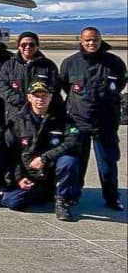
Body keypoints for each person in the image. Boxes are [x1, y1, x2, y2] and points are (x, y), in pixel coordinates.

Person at [58, 27, 126, 211]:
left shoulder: (115, 63)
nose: (91, 43)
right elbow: (65, 86)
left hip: (105, 123)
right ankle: (72, 196)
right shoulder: (70, 63)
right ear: (81, 41)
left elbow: (119, 85)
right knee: (77, 163)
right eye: (87, 40)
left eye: (94, 40)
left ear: (100, 40)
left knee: (108, 164)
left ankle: (112, 198)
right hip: (78, 122)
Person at [1, 81, 82, 221]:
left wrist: (45, 158)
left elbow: (72, 142)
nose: (40, 99)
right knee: (12, 202)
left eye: (44, 95)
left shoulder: (63, 119)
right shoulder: (17, 121)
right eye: (36, 96)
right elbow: (11, 153)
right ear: (29, 97)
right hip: (30, 173)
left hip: (53, 170)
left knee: (69, 160)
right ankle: (44, 193)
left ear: (51, 97)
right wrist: (19, 178)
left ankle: (62, 201)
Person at [0, 31, 61, 123]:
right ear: (19, 47)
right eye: (24, 45)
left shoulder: (48, 65)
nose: (27, 47)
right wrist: (20, 100)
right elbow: (1, 86)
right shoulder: (9, 65)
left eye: (31, 44)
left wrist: (37, 100)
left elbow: (54, 86)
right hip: (16, 112)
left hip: (41, 112)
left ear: (37, 46)